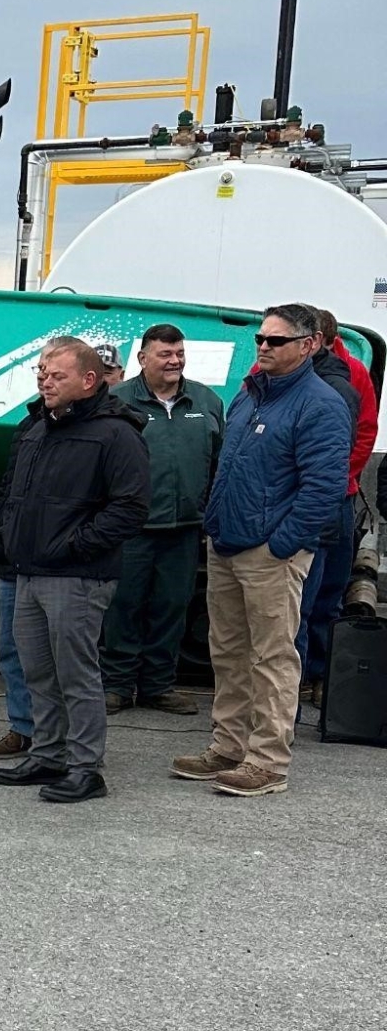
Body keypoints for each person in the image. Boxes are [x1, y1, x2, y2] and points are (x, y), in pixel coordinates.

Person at [174, 303, 350, 797]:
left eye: (276, 340)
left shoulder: (320, 404)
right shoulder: (250, 393)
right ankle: (229, 746)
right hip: (228, 542)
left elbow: (324, 488)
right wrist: (215, 524)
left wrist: (282, 545)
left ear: (308, 345)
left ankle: (268, 761)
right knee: (228, 651)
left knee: (272, 656)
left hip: (270, 552)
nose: (264, 346)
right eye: (260, 338)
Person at [0, 337, 150, 804]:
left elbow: (130, 508)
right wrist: (2, 536)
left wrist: (75, 547)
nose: (45, 381)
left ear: (89, 380)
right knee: (37, 671)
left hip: (77, 576)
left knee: (76, 674)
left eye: (57, 375)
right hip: (27, 570)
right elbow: (10, 491)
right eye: (41, 372)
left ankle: (85, 768)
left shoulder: (116, 433)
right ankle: (48, 754)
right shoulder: (36, 426)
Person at [101, 324, 225, 714]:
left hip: (184, 528)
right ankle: (117, 684)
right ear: (142, 358)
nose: (175, 361)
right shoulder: (117, 401)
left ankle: (158, 685)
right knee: (123, 606)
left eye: (179, 354)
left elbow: (220, 463)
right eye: (165, 354)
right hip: (130, 530)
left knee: (171, 607)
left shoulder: (206, 401)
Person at [297, 305, 373, 701]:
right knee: (300, 595)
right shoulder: (274, 369)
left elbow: (365, 432)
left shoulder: (354, 374)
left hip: (339, 497)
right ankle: (295, 674)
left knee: (329, 591)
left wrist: (340, 478)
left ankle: (321, 672)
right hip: (302, 496)